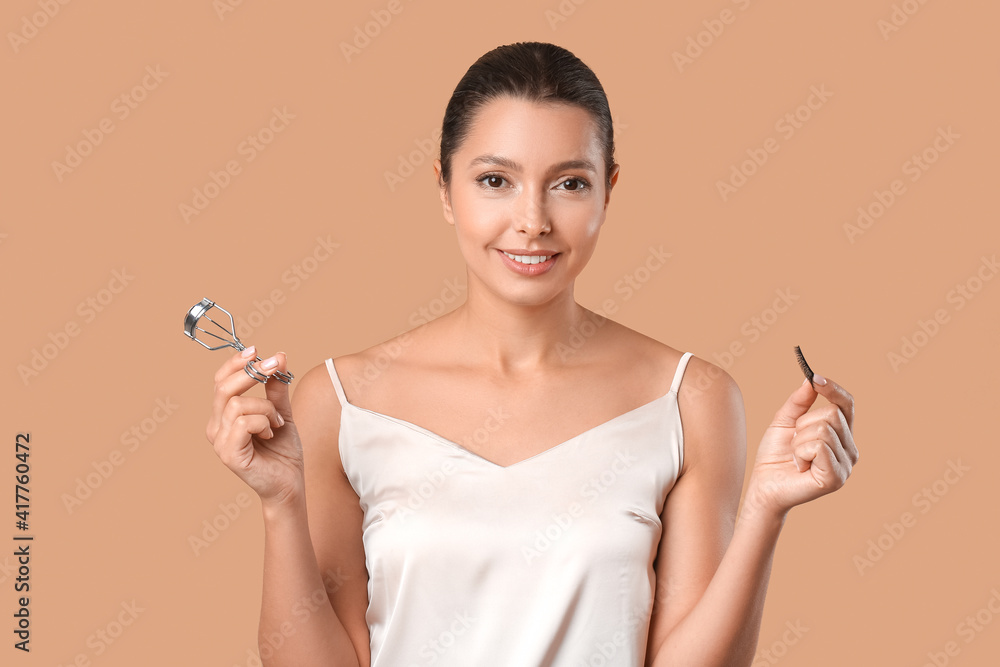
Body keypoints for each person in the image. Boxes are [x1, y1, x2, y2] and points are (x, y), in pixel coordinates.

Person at [204, 41, 858, 667]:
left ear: (609, 189)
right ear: (443, 188)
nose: (532, 220)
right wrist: (279, 503)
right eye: (495, 180)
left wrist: (765, 507)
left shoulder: (691, 397)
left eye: (569, 184)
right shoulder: (341, 399)